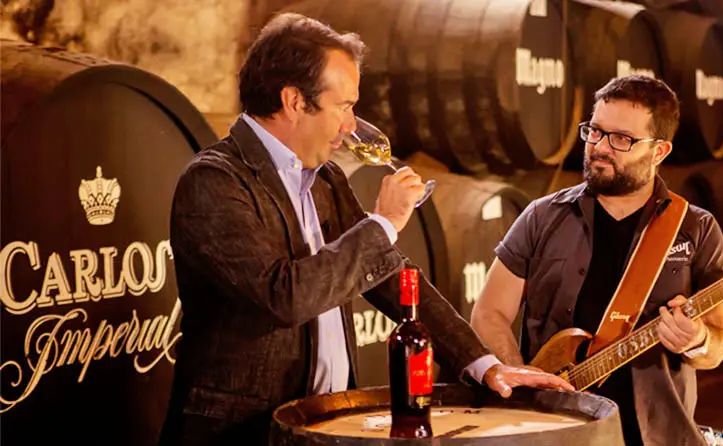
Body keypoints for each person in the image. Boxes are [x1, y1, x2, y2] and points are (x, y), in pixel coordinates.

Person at [158, 13, 570, 445]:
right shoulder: (215, 181)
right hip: (244, 434)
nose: (351, 125)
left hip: (323, 423)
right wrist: (384, 222)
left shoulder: (324, 178)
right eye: (344, 106)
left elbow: (390, 275)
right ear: (294, 101)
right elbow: (284, 297)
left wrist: (484, 364)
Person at [470, 75, 723, 446]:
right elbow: (489, 313)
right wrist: (522, 378)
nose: (600, 147)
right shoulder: (542, 216)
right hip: (555, 432)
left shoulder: (697, 229)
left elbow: (717, 344)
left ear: (659, 152)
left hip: (659, 437)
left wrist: (697, 340)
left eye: (621, 138)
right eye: (595, 131)